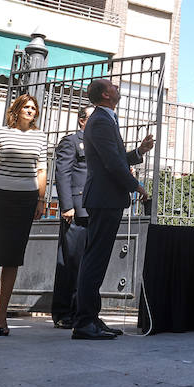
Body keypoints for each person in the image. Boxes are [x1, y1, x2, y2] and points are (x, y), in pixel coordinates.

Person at [72, 77, 153, 340]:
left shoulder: (105, 119)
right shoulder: (101, 121)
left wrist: (139, 151)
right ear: (106, 95)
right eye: (113, 86)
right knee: (95, 259)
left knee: (97, 258)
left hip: (106, 198)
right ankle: (84, 322)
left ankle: (91, 318)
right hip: (104, 199)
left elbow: (116, 158)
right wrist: (137, 186)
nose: (117, 88)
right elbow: (112, 164)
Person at [0, 94, 47, 337]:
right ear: (16, 110)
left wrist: (40, 200)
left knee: (13, 258)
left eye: (33, 108)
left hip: (26, 199)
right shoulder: (0, 133)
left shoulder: (40, 136)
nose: (30, 111)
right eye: (26, 107)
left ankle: (1, 313)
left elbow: (42, 170)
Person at [51, 105, 94, 329]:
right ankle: (63, 312)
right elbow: (63, 172)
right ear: (81, 121)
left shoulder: (101, 143)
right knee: (70, 262)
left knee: (88, 265)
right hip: (76, 209)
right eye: (92, 117)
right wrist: (66, 205)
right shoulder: (71, 141)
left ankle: (83, 312)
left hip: (96, 209)